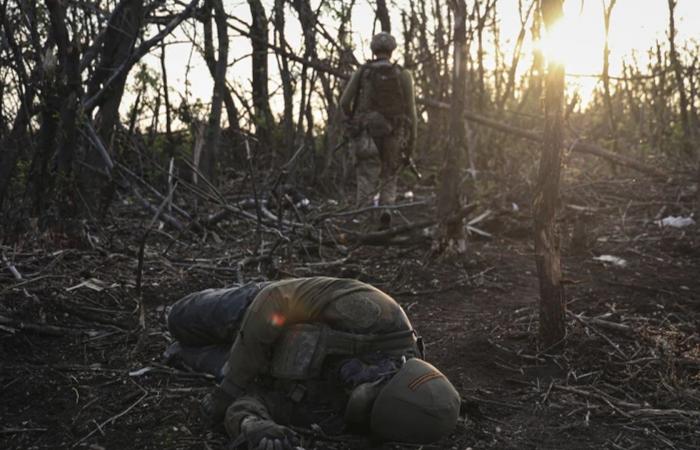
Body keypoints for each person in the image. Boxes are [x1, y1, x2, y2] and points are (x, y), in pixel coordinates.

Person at [165, 277, 460, 449]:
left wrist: (253, 426)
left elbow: (254, 401)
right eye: (375, 378)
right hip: (258, 312)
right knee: (178, 318)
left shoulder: (339, 415)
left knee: (179, 353)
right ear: (397, 366)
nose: (353, 382)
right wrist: (229, 388)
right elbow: (277, 299)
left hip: (257, 368)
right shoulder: (378, 316)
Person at [339, 32, 418, 229]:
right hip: (394, 134)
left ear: (373, 50)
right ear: (392, 50)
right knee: (390, 176)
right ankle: (385, 213)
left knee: (366, 177)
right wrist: (411, 145)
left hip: (366, 133)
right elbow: (412, 114)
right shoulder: (403, 74)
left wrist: (353, 120)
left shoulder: (363, 72)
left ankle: (364, 224)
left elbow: (344, 102)